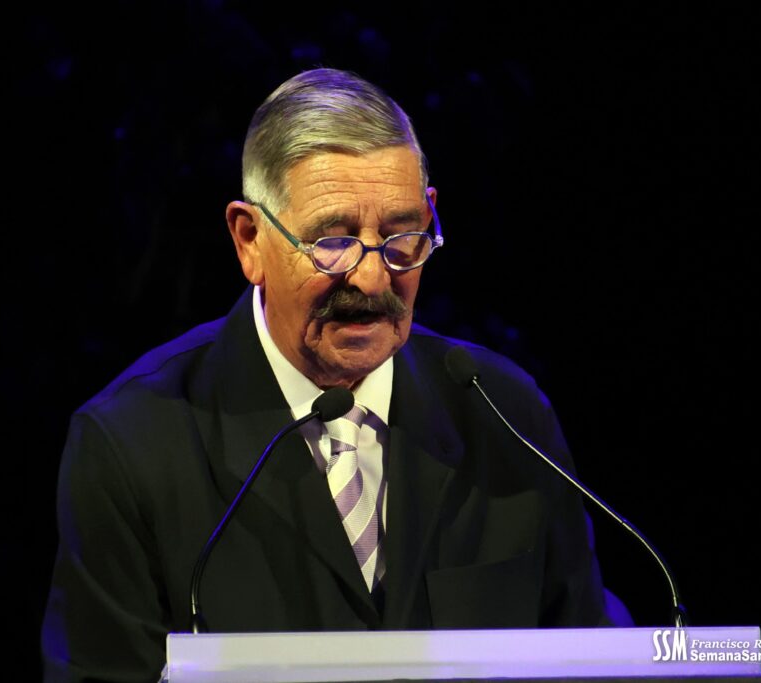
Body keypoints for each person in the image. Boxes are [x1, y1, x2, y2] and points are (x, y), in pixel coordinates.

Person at [42, 68, 618, 683]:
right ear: (250, 240)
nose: (371, 278)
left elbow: (590, 654)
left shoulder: (507, 417)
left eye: (401, 236)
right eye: (333, 241)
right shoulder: (131, 445)